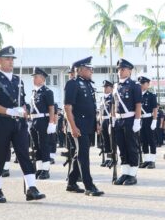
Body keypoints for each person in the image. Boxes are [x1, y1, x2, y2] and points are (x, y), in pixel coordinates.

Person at [0, 46, 45, 203]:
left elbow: (22, 102)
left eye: (12, 59)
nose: (11, 62)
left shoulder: (18, 81)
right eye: (7, 59)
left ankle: (32, 188)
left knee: (24, 154)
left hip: (19, 124)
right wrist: (11, 111)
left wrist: (23, 109)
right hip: (1, 123)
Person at [64, 56, 104, 196]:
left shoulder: (88, 83)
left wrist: (97, 123)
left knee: (79, 154)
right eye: (89, 68)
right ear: (80, 70)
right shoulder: (72, 84)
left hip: (88, 125)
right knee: (83, 155)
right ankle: (89, 185)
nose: (91, 71)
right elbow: (67, 107)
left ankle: (71, 182)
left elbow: (92, 107)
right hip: (78, 126)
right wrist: (73, 127)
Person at [112, 59, 142, 186]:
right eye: (118, 69)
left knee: (131, 147)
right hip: (119, 120)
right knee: (121, 147)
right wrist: (113, 119)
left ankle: (132, 174)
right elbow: (113, 104)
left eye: (123, 69)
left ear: (129, 71)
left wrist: (137, 120)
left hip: (130, 119)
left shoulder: (135, 85)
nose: (120, 71)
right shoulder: (116, 86)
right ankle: (124, 172)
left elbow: (138, 105)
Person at [30, 67, 56, 179]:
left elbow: (51, 108)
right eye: (34, 77)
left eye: (36, 77)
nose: (33, 79)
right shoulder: (34, 92)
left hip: (43, 121)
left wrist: (51, 122)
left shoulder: (48, 92)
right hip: (34, 121)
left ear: (42, 79)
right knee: (36, 146)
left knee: (44, 146)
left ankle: (46, 170)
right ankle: (39, 168)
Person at [138, 76, 158, 169]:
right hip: (141, 120)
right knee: (143, 140)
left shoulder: (151, 95)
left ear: (148, 84)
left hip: (149, 119)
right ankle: (146, 160)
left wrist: (154, 120)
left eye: (143, 83)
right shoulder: (137, 95)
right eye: (140, 83)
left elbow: (155, 109)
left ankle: (152, 161)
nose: (141, 85)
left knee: (151, 140)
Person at [98, 80, 113, 167]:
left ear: (111, 88)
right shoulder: (102, 98)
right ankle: (107, 158)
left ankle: (112, 158)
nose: (105, 89)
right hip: (103, 120)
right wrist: (99, 123)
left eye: (106, 87)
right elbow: (100, 111)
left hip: (109, 120)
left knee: (111, 140)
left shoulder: (112, 98)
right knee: (105, 140)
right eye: (104, 87)